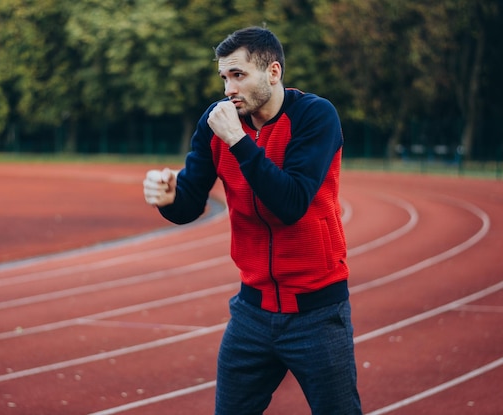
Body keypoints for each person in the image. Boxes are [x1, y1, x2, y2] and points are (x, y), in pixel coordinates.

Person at [143, 26, 362, 415]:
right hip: (252, 313)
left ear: (273, 73)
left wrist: (239, 143)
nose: (228, 88)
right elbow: (191, 202)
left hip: (317, 313)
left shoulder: (315, 116)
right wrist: (169, 198)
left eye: (238, 75)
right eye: (224, 77)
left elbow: (291, 204)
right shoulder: (217, 122)